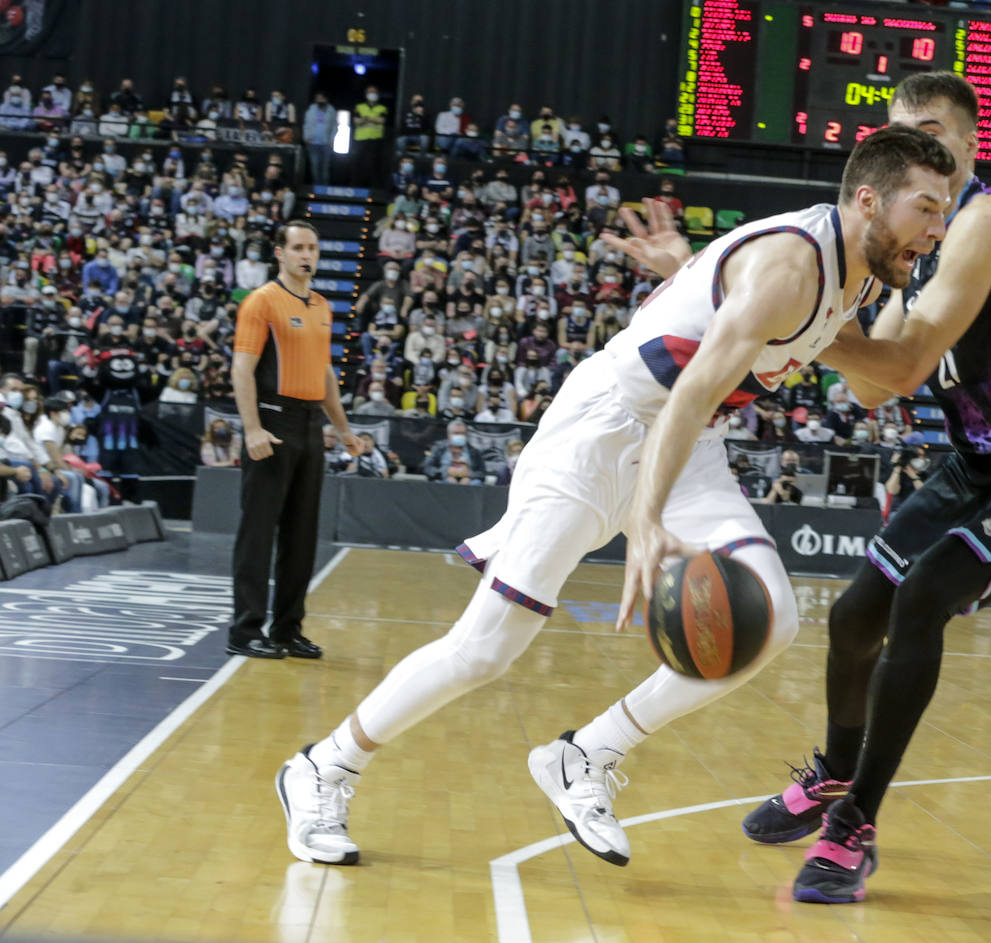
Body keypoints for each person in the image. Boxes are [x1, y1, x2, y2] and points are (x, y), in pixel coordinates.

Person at [272, 127, 953, 869]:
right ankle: (324, 764)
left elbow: (874, 368)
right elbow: (694, 387)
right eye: (926, 208)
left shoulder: (851, 276)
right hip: (607, 426)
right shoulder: (793, 265)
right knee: (486, 648)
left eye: (945, 212)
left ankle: (584, 755)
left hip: (687, 441)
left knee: (772, 619)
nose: (938, 228)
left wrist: (689, 268)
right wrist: (650, 522)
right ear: (867, 200)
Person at [726, 72, 991, 904]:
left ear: (974, 143)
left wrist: (775, 318)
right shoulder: (913, 241)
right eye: (903, 130)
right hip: (977, 462)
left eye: (935, 129)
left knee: (923, 596)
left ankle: (855, 824)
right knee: (854, 613)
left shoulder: (987, 221)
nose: (920, 143)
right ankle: (835, 771)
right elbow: (874, 390)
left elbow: (899, 365)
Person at [228, 221, 362, 659]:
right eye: (298, 247)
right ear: (279, 253)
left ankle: (287, 629)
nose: (307, 255)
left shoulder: (322, 305)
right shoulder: (261, 301)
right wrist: (251, 428)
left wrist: (341, 429)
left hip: (308, 425)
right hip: (272, 420)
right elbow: (242, 369)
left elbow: (324, 373)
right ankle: (245, 631)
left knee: (302, 536)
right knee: (258, 532)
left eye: (313, 248)